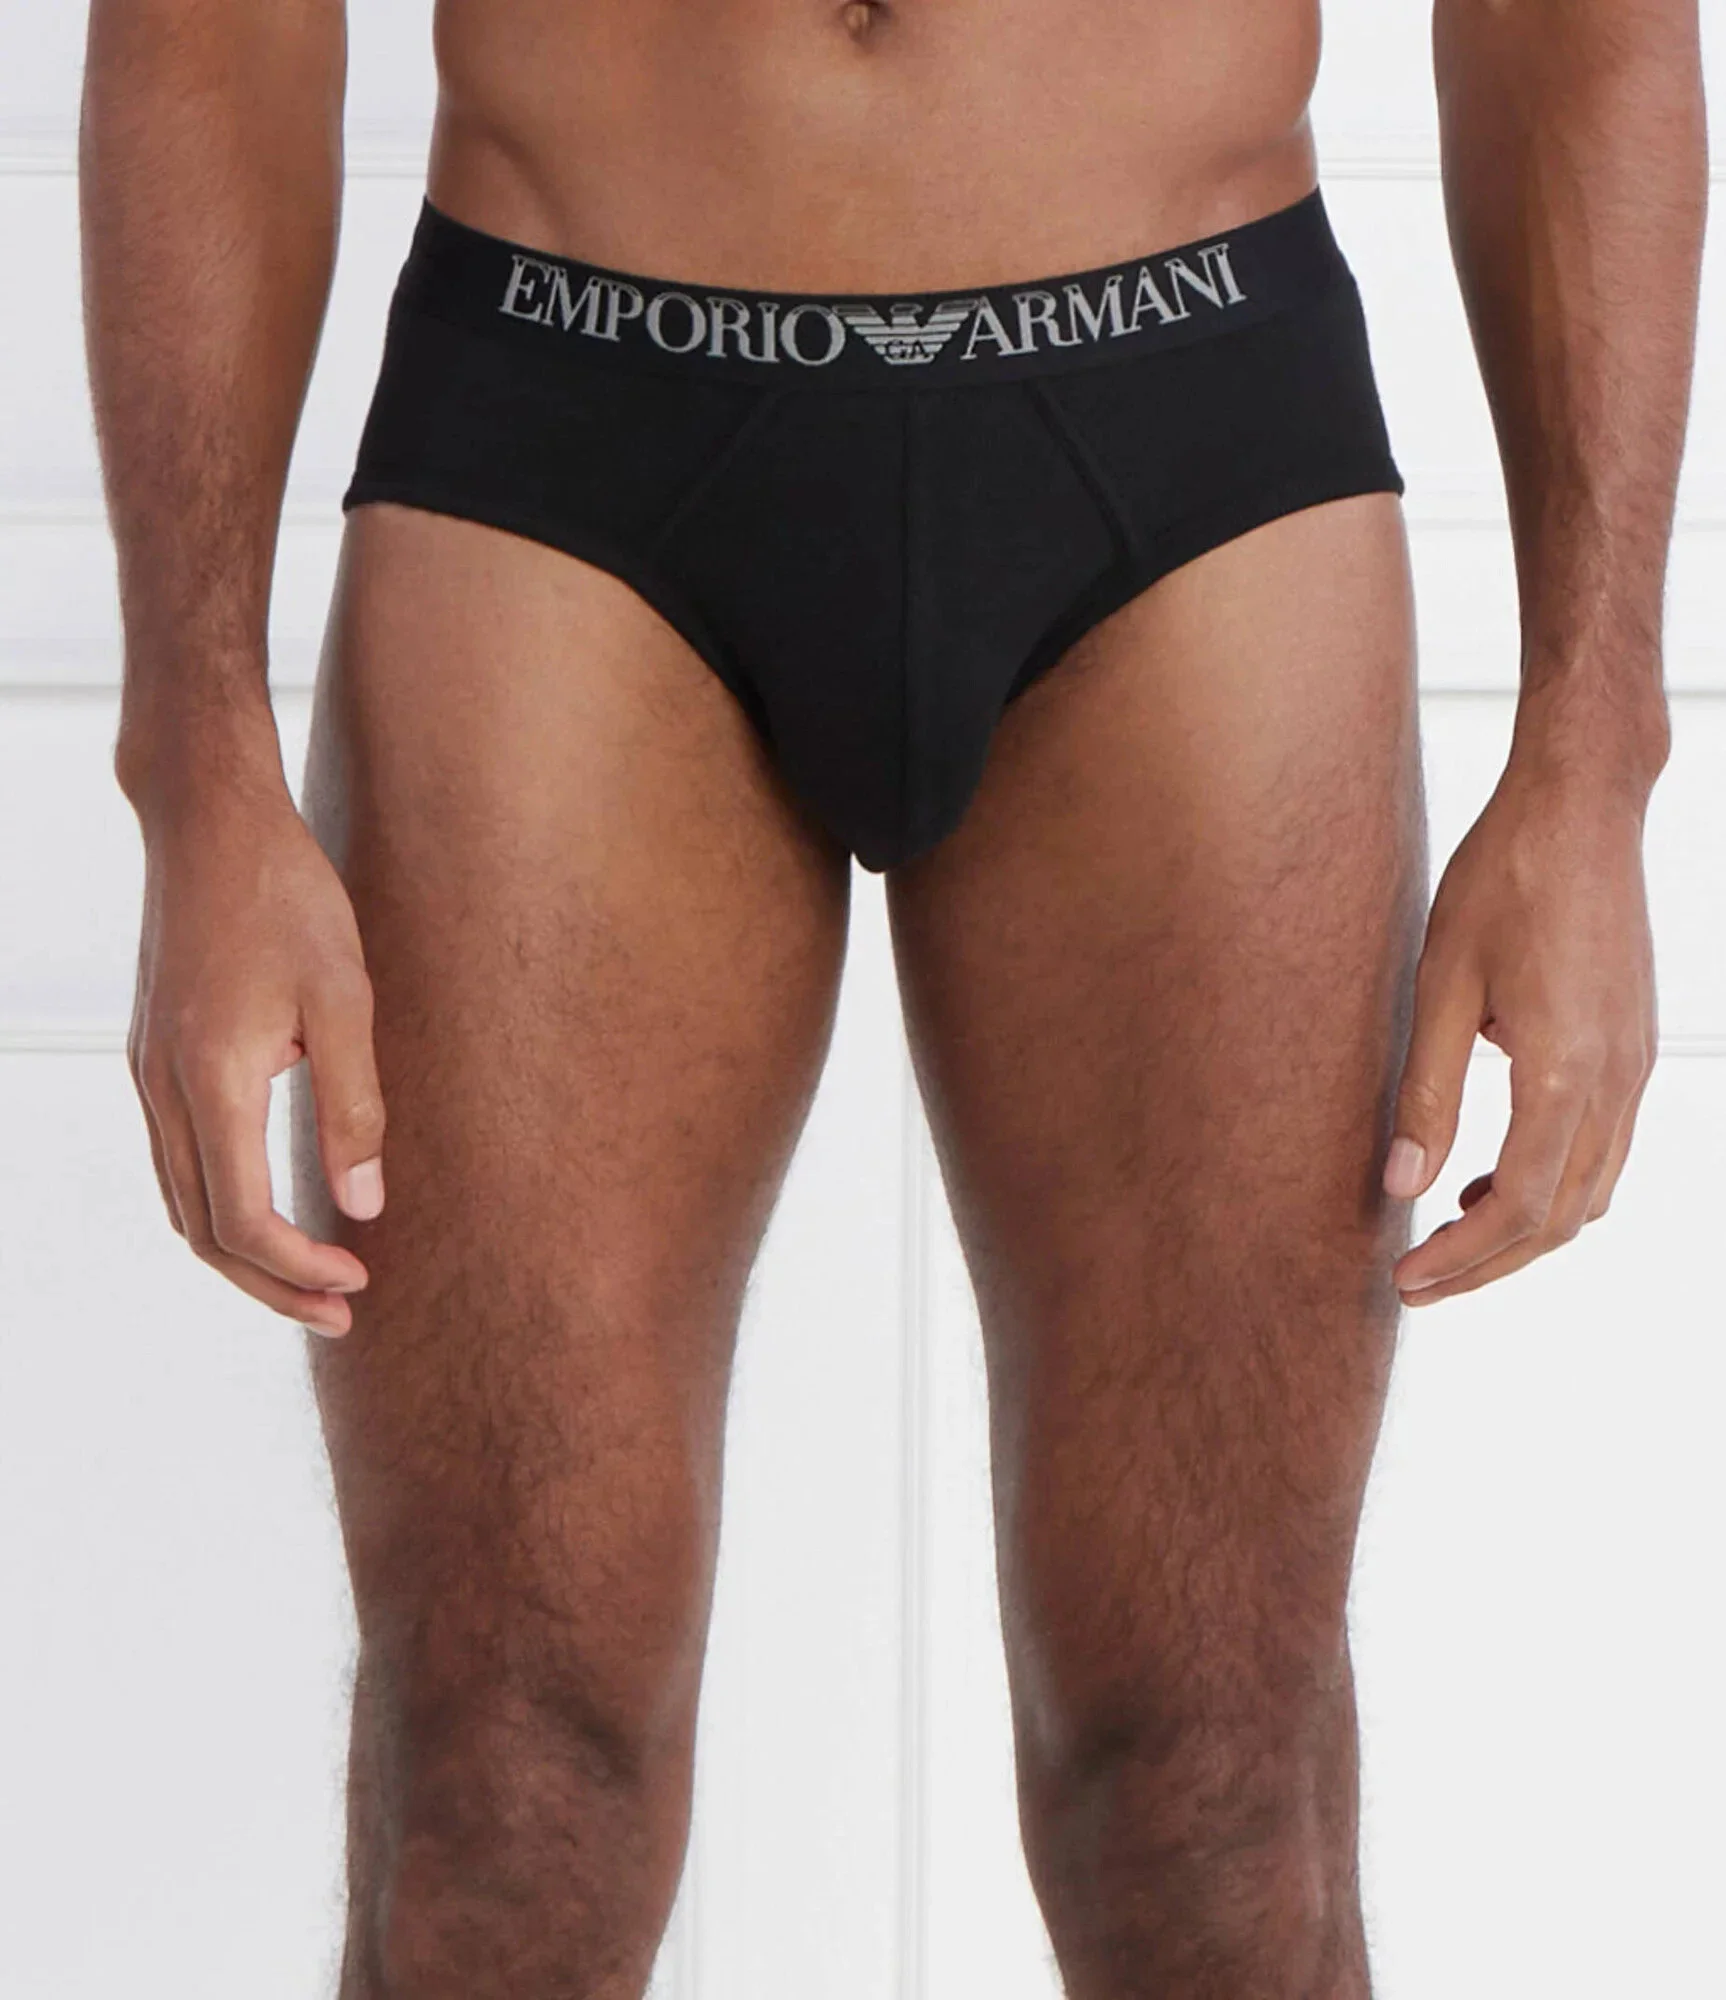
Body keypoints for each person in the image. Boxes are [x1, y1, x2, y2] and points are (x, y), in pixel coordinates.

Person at [79, 0, 1704, 1991]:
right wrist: (197, 761)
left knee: (1208, 1791)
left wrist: (1589, 759)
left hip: (1185, 433)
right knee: (504, 1787)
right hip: (565, 428)